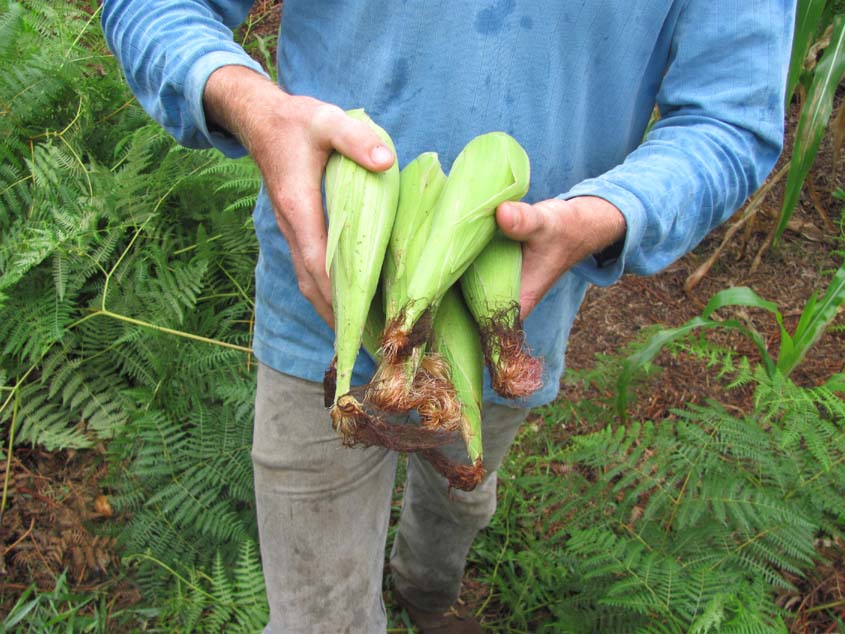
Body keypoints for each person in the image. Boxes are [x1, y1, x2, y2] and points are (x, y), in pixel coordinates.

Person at [102, 1, 795, 632]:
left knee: (460, 493)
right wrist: (251, 105)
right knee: (318, 618)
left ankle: (426, 592)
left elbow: (728, 121)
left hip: (509, 322)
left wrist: (608, 214)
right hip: (319, 308)